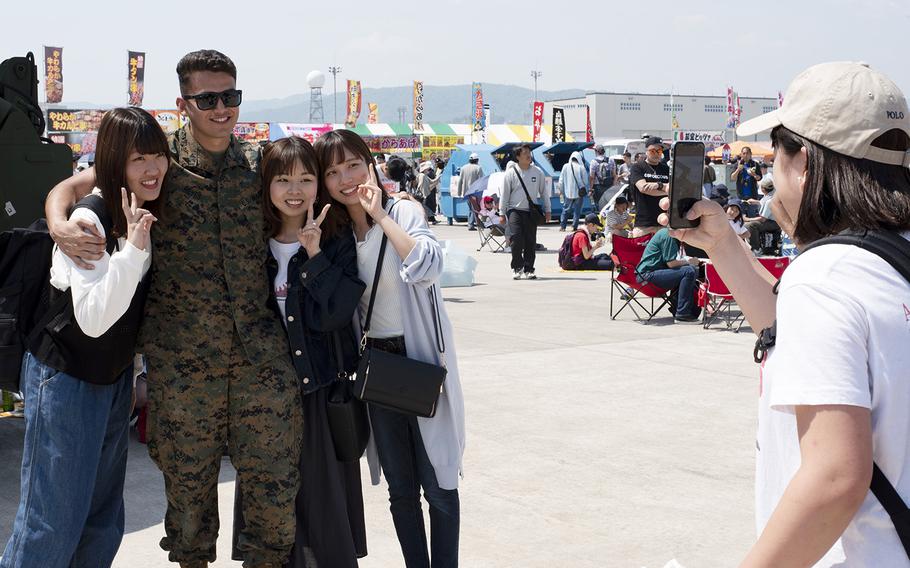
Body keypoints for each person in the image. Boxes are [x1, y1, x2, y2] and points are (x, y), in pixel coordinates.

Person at [43, 50, 302, 568]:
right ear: (184, 103)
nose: (222, 108)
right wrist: (56, 221)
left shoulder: (261, 165)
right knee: (188, 512)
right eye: (208, 99)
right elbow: (78, 184)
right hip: (184, 369)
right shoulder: (157, 164)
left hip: (261, 362)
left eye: (230, 96)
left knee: (274, 502)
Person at [661, 61, 910, 566]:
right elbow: (800, 337)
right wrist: (725, 247)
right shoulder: (881, 263)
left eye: (777, 152)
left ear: (805, 164)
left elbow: (834, 477)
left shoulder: (824, 279)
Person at [1, 107, 166, 568]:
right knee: (50, 523)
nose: (151, 169)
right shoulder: (91, 219)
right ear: (115, 162)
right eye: (138, 159)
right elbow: (93, 318)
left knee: (100, 519)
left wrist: (132, 376)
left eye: (158, 156)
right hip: (67, 377)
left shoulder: (133, 204)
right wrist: (132, 252)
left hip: (108, 377)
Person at [313, 130, 465, 568]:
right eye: (333, 172)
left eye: (353, 165)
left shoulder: (403, 210)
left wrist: (380, 216)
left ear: (369, 162)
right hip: (376, 364)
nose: (346, 178)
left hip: (419, 358)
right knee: (401, 487)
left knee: (438, 481)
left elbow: (428, 266)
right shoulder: (336, 234)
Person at [231, 136, 367, 567]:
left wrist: (313, 254)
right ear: (266, 184)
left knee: (324, 513)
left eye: (306, 178)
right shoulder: (251, 243)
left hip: (321, 396)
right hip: (266, 401)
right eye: (283, 179)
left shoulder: (337, 238)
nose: (295, 190)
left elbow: (337, 314)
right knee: (271, 516)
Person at [499, 143, 551, 279]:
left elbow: (544, 193)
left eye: (529, 152)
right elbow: (504, 195)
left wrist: (548, 210)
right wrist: (501, 212)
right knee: (516, 240)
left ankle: (529, 269)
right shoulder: (510, 173)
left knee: (530, 241)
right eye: (525, 153)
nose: (528, 155)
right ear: (518, 157)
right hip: (514, 210)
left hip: (530, 212)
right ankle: (517, 267)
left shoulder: (538, 172)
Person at [635, 228, 701, 323]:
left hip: (652, 273)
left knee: (689, 270)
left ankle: (680, 309)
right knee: (689, 271)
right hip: (647, 275)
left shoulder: (667, 233)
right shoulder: (669, 236)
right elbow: (671, 264)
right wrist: (689, 261)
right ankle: (683, 314)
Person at [629, 136, 669, 237]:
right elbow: (643, 188)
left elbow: (673, 189)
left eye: (659, 151)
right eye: (652, 151)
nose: (656, 154)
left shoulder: (666, 169)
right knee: (641, 253)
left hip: (664, 222)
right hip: (644, 225)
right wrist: (663, 186)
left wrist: (655, 186)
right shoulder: (638, 167)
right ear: (646, 151)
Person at [743, 176, 780, 253]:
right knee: (750, 223)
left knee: (750, 225)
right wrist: (756, 201)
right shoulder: (772, 194)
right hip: (775, 221)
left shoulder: (769, 201)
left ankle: (756, 248)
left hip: (774, 223)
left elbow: (763, 219)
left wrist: (747, 219)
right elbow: (763, 202)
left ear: (763, 189)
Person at [558, 151, 588, 232]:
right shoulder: (581, 167)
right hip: (579, 193)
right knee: (577, 211)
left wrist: (560, 190)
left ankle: (562, 226)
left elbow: (561, 180)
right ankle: (574, 227)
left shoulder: (565, 166)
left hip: (568, 193)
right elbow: (585, 181)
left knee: (565, 209)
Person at [456, 153, 484, 230]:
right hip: (475, 192)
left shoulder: (463, 168)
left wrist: (459, 192)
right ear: (477, 160)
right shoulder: (478, 168)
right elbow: (481, 181)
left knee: (471, 208)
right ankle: (472, 224)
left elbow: (460, 181)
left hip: (466, 192)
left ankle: (473, 223)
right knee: (475, 208)